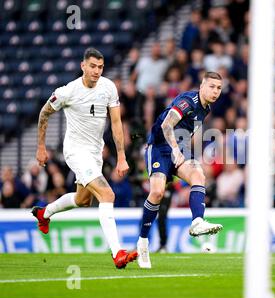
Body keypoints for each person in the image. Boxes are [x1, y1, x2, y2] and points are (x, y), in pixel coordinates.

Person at [31, 47, 138, 269]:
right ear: (83, 66)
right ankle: (117, 252)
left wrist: (121, 156)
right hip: (76, 152)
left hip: (95, 152)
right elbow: (44, 113)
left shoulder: (108, 87)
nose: (97, 71)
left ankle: (44, 212)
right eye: (92, 66)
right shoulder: (68, 91)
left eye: (100, 67)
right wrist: (41, 147)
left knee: (83, 201)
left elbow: (116, 123)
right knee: (107, 194)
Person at [136, 71, 224, 268]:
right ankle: (143, 242)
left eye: (218, 88)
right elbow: (167, 124)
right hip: (159, 147)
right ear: (202, 86)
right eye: (211, 86)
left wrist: (185, 151)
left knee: (198, 174)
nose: (215, 91)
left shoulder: (206, 108)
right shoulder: (188, 100)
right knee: (157, 192)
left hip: (179, 149)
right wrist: (175, 149)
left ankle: (197, 222)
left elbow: (185, 131)